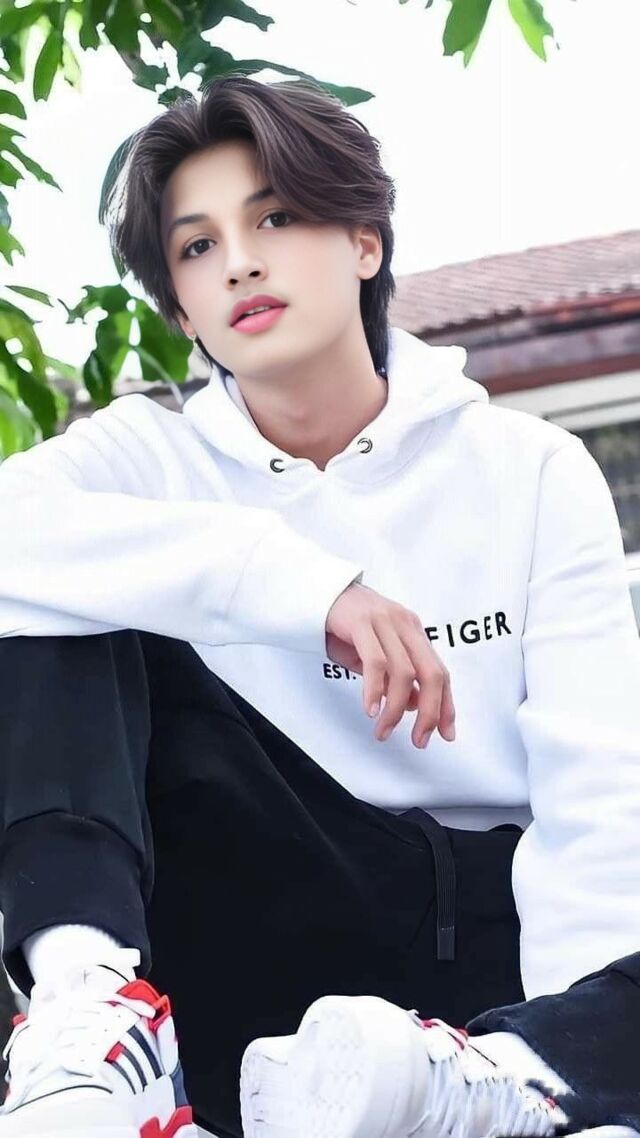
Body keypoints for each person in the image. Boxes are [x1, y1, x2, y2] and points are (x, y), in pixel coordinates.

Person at [0, 73, 638, 1138]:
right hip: (258, 934)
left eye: (276, 219)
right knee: (46, 590)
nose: (239, 262)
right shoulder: (142, 461)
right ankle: (90, 1015)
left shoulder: (528, 468)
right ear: (182, 308)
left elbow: (601, 795)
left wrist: (578, 1049)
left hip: (499, 948)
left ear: (364, 242)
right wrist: (290, 579)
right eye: (197, 246)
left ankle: (512, 1080)